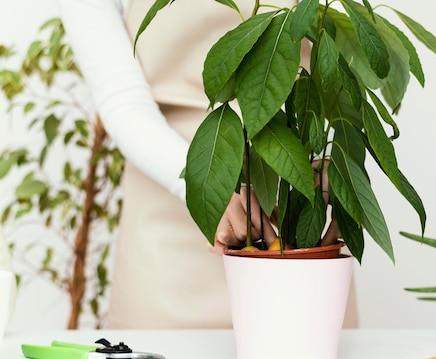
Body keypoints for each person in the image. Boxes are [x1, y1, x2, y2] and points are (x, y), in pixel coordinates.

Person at [56, 0, 359, 329]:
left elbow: (348, 56)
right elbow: (123, 102)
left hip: (296, 218)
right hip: (171, 239)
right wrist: (205, 187)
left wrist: (342, 169)